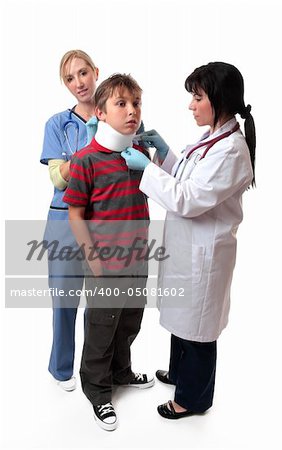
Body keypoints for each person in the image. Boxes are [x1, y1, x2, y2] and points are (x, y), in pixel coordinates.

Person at [122, 62, 256, 419]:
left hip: (206, 254)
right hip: (188, 248)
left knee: (198, 327)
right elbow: (189, 176)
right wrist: (164, 154)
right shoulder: (213, 138)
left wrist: (145, 168)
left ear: (219, 100)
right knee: (184, 318)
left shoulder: (232, 150)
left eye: (197, 98)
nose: (191, 105)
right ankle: (180, 375)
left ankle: (191, 400)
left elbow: (188, 198)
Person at [63, 73, 154, 431]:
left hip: (138, 255)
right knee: (102, 325)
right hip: (104, 261)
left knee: (130, 319)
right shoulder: (86, 159)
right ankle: (97, 389)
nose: (131, 111)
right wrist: (92, 258)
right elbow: (75, 212)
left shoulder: (140, 156)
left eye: (136, 104)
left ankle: (121, 371)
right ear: (100, 112)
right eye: (121, 104)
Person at [40, 50, 99, 391]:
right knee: (64, 300)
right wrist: (90, 152)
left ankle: (96, 371)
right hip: (64, 221)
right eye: (70, 78)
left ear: (95, 71)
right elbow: (58, 179)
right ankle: (62, 369)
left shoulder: (115, 114)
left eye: (83, 73)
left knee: (101, 303)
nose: (79, 83)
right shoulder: (56, 124)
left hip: (103, 220)